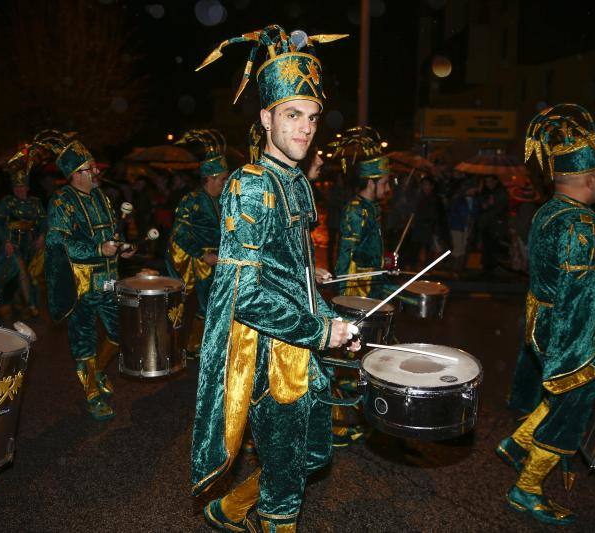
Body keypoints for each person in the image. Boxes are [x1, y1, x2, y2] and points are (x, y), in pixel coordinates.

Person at [191, 25, 355, 532]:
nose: (305, 129)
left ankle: (231, 507)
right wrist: (317, 330)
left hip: (300, 347)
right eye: (292, 116)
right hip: (269, 358)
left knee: (306, 455)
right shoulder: (250, 185)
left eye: (311, 117)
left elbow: (296, 277)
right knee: (286, 483)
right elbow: (243, 294)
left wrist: (331, 321)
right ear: (266, 118)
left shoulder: (295, 183)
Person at [498, 104, 595, 526]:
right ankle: (526, 489)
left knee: (555, 395)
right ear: (588, 178)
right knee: (571, 404)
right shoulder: (582, 224)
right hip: (570, 329)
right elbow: (583, 298)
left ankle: (517, 444)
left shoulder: (550, 211)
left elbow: (565, 274)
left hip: (544, 320)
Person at [34, 130, 136, 421]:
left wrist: (121, 248)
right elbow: (58, 243)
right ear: (75, 174)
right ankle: (92, 393)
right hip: (80, 286)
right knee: (84, 343)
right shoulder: (62, 202)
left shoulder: (102, 198)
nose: (96, 171)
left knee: (120, 334)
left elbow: (110, 239)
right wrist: (98, 249)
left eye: (94, 166)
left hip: (109, 281)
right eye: (90, 168)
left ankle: (99, 370)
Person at [166, 129, 228, 355]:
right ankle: (190, 346)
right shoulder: (191, 200)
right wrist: (203, 255)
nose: (226, 181)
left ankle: (199, 345)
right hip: (200, 262)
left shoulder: (223, 201)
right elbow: (179, 234)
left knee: (214, 305)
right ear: (210, 178)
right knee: (202, 305)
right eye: (223, 178)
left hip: (218, 261)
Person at [332, 126, 392, 298]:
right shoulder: (356, 210)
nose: (387, 188)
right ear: (371, 183)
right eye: (384, 183)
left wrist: (384, 259)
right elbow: (345, 253)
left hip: (373, 282)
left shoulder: (373, 207)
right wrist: (342, 295)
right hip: (358, 288)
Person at [0, 170, 46, 321]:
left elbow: (44, 222)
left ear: (27, 187)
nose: (19, 190)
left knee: (24, 273)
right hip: (11, 242)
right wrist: (5, 241)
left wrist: (42, 236)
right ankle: (31, 305)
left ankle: (17, 304)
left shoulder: (36, 202)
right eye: (16, 187)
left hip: (29, 243)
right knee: (18, 269)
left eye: (22, 186)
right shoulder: (7, 201)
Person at [476, 174, 509, 277]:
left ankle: (493, 268)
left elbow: (501, 208)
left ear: (495, 181)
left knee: (494, 246)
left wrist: (491, 205)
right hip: (487, 223)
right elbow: (481, 205)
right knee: (487, 246)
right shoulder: (486, 192)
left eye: (490, 181)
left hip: (495, 224)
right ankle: (487, 268)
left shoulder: (500, 192)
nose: (488, 184)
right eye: (486, 182)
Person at [448, 178, 479, 274]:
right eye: (473, 188)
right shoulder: (458, 199)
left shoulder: (474, 200)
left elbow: (475, 213)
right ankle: (454, 270)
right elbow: (454, 213)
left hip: (466, 227)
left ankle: (458, 269)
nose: (475, 190)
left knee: (463, 248)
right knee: (458, 248)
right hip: (457, 226)